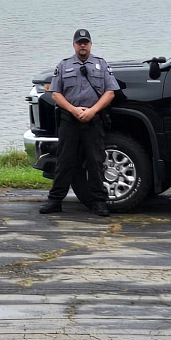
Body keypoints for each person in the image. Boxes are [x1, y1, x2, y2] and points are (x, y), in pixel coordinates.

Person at [42, 27, 119, 215]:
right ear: (74, 45)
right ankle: (55, 200)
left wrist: (92, 111)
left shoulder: (101, 65)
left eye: (85, 42)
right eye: (79, 42)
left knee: (95, 161)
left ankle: (99, 202)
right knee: (64, 161)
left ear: (90, 44)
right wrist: (74, 110)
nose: (82, 45)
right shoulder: (63, 65)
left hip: (93, 120)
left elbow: (110, 92)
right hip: (70, 119)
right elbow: (56, 94)